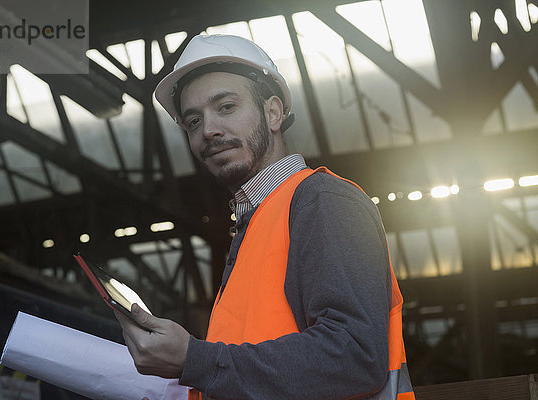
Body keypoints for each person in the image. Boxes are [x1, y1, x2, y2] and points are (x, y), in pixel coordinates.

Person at [115, 34, 415, 400]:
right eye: (193, 122)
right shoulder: (256, 224)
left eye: (225, 107)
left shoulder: (321, 200)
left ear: (273, 113)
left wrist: (197, 360)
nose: (208, 130)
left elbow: (353, 357)